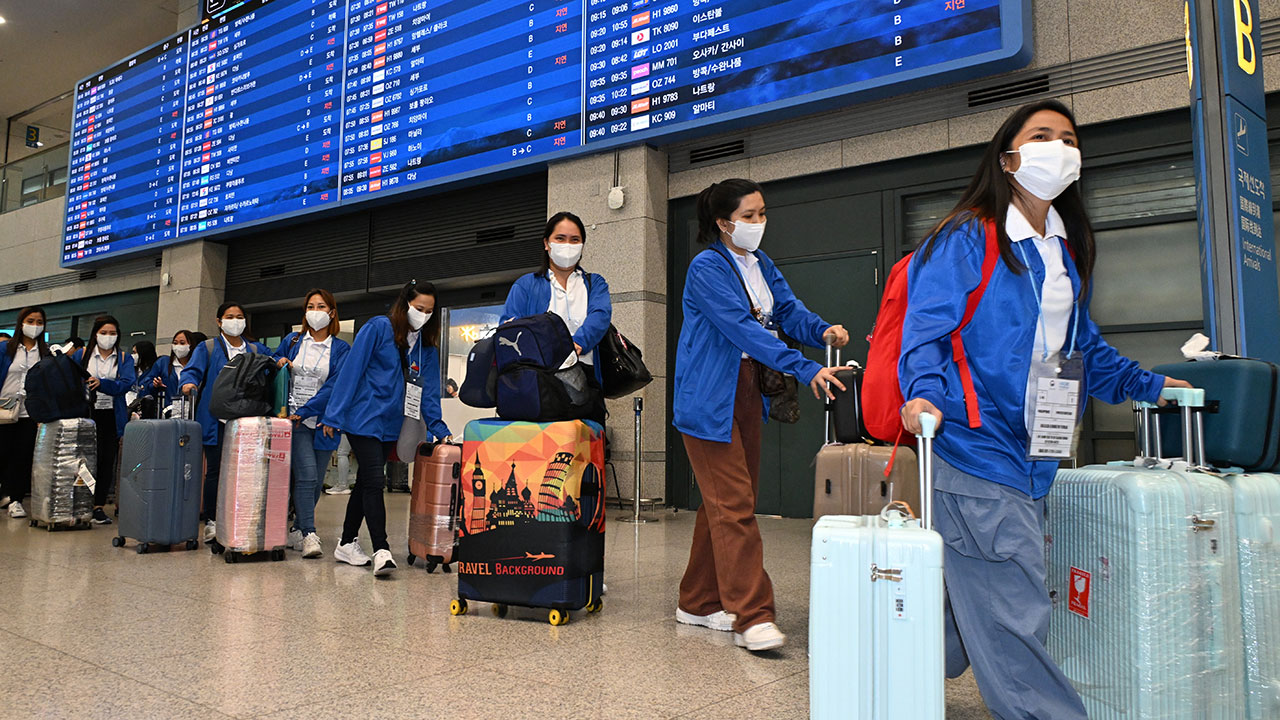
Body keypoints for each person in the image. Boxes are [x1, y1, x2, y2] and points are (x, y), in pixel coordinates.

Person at [896, 100, 1192, 720]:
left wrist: (1149, 385)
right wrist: (921, 392)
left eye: (1068, 138)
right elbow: (923, 333)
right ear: (1008, 158)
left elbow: (1082, 348)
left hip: (1037, 453)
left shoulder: (1064, 248)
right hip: (976, 448)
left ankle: (888, 669)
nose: (1058, 147)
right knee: (1014, 609)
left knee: (974, 593)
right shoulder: (967, 236)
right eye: (1041, 136)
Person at [672, 179, 848, 652]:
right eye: (749, 216)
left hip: (748, 395)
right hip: (709, 399)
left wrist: (822, 331)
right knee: (734, 505)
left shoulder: (760, 264)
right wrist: (804, 365)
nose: (758, 223)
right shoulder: (707, 267)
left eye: (762, 213)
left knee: (724, 503)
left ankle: (697, 600)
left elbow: (788, 311)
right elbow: (743, 330)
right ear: (723, 223)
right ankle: (752, 614)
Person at [323, 281, 451, 576]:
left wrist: (439, 427)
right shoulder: (378, 328)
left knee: (367, 483)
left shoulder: (426, 349)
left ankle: (346, 542)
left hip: (393, 424)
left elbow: (429, 393)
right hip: (363, 419)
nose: (423, 315)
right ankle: (382, 549)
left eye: (429, 311)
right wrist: (334, 415)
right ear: (405, 303)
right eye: (419, 308)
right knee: (374, 479)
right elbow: (351, 371)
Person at [501, 211, 612, 410]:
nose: (567, 245)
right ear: (546, 243)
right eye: (560, 238)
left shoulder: (595, 283)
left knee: (586, 438)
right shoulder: (526, 285)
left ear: (582, 246)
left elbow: (601, 315)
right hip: (539, 380)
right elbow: (508, 327)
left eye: (574, 240)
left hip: (585, 376)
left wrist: (579, 343)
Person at [180, 303, 270, 542]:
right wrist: (188, 384)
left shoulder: (254, 347)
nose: (235, 321)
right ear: (219, 321)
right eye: (230, 317)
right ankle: (212, 520)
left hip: (247, 420)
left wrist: (280, 362)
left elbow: (271, 362)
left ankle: (240, 517)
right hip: (215, 419)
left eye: (240, 317)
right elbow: (192, 371)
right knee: (216, 471)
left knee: (245, 471)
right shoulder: (207, 347)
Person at [273, 289, 351, 559]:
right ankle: (309, 533)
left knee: (316, 481)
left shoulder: (341, 349)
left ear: (331, 312)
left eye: (321, 306)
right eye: (310, 306)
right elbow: (273, 366)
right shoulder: (293, 341)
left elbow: (336, 386)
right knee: (305, 475)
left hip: (324, 421)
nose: (315, 311)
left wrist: (309, 410)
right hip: (294, 421)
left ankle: (296, 528)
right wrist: (278, 361)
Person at [73, 316, 137, 525]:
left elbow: (126, 383)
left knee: (106, 460)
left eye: (112, 333)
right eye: (104, 332)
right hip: (85, 413)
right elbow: (71, 379)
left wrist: (102, 384)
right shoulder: (82, 355)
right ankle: (78, 503)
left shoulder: (124, 358)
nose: (108, 337)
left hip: (110, 414)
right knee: (81, 459)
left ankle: (98, 505)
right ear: (95, 334)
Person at [0, 307, 53, 518]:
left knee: (22, 458)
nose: (35, 325)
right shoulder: (5, 349)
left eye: (39, 321)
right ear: (21, 322)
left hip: (29, 413)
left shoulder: (46, 353)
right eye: (30, 320)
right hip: (3, 409)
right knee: (2, 454)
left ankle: (16, 500)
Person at [143, 330, 197, 415]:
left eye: (182, 343)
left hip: (192, 412)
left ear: (191, 346)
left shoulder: (196, 365)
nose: (178, 346)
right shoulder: (163, 363)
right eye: (175, 343)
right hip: (167, 411)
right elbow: (146, 384)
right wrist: (155, 385)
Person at [129, 341, 159, 418]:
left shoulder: (154, 371)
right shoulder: (132, 371)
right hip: (131, 410)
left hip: (147, 412)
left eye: (135, 352)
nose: (132, 355)